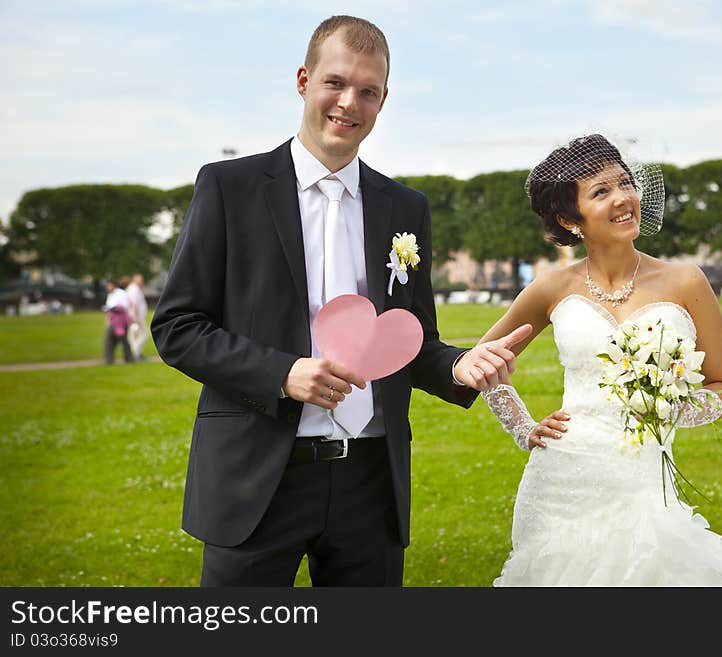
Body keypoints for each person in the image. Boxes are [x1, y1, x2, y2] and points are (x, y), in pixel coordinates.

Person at [151, 15, 525, 587]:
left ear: (383, 99)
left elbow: (410, 338)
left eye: (368, 91)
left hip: (370, 485)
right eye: (335, 83)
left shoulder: (406, 209)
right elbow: (178, 326)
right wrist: (283, 374)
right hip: (256, 480)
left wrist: (457, 364)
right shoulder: (229, 188)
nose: (349, 103)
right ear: (304, 79)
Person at [470, 134, 722, 586]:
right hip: (561, 484)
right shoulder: (550, 288)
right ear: (568, 218)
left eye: (625, 183)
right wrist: (523, 428)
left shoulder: (685, 281)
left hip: (644, 483)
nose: (624, 198)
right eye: (602, 191)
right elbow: (482, 363)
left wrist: (674, 409)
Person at [102, 279, 134, 365]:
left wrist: (114, 308)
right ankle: (109, 360)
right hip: (113, 321)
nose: (107, 287)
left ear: (113, 285)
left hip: (121, 321)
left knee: (123, 341)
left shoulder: (121, 293)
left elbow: (124, 306)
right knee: (109, 340)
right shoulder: (110, 295)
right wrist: (107, 320)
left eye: (109, 285)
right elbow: (108, 308)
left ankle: (129, 358)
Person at [125, 273, 149, 360]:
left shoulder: (131, 288)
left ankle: (135, 354)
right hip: (136, 317)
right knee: (145, 334)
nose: (142, 281)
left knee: (133, 336)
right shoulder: (134, 289)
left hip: (132, 316)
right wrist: (135, 317)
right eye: (140, 280)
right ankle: (134, 353)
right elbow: (134, 304)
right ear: (135, 279)